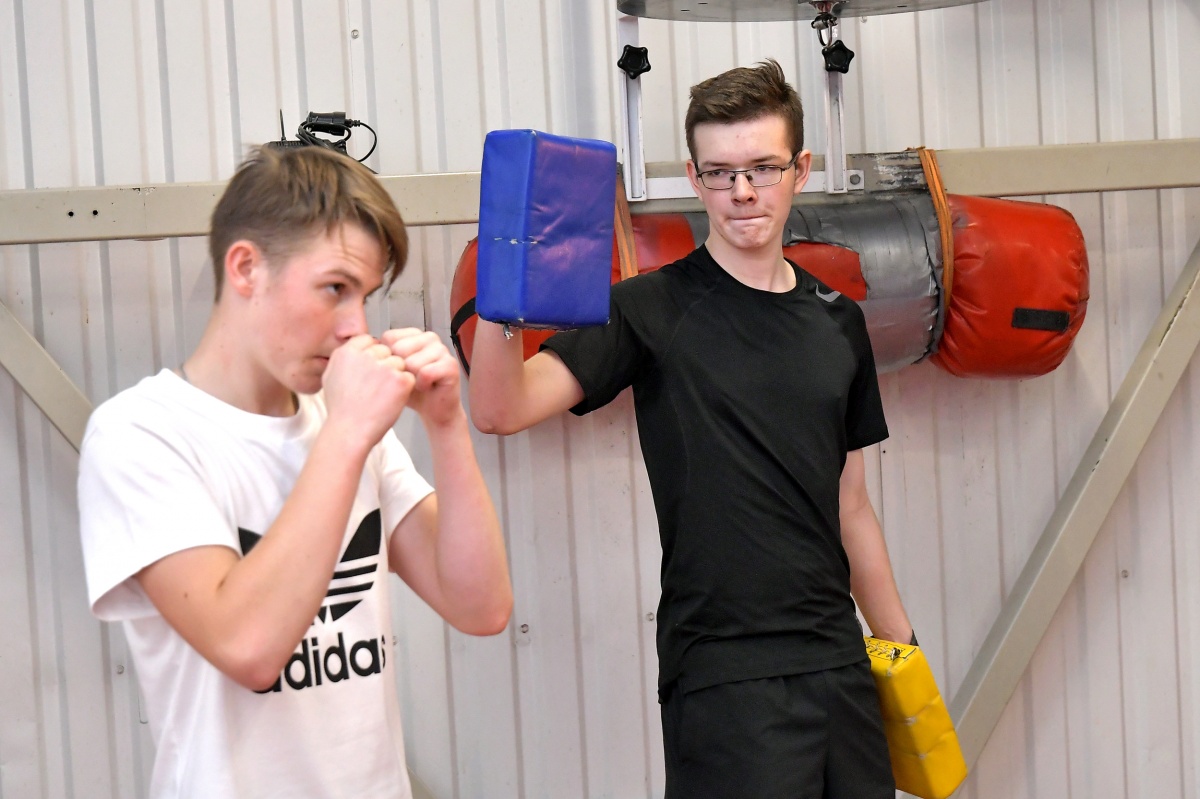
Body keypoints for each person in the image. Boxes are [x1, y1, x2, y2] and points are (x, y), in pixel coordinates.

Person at [469, 59, 912, 798]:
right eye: (720, 173)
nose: (743, 191)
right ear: (694, 177)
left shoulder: (838, 320)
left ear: (800, 169)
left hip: (840, 663)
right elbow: (499, 408)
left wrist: (901, 646)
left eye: (762, 168)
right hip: (725, 676)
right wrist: (503, 280)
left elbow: (852, 505)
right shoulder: (649, 309)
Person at [77, 145, 513, 799]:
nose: (355, 327)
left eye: (364, 296)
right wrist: (346, 433)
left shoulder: (344, 422)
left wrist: (447, 425)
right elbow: (249, 647)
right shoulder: (140, 434)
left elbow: (481, 607)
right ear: (246, 268)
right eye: (335, 289)